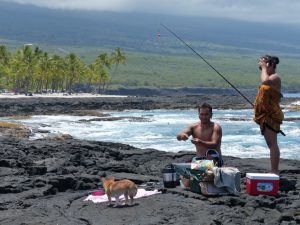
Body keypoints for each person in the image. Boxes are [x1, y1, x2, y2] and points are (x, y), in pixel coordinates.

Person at [254, 55, 284, 175]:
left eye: (263, 66)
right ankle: (273, 170)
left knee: (272, 144)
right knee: (270, 144)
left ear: (270, 65)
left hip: (271, 116)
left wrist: (264, 67)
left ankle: (274, 171)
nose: (261, 70)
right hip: (265, 115)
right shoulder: (269, 76)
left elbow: (265, 81)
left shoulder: (275, 77)